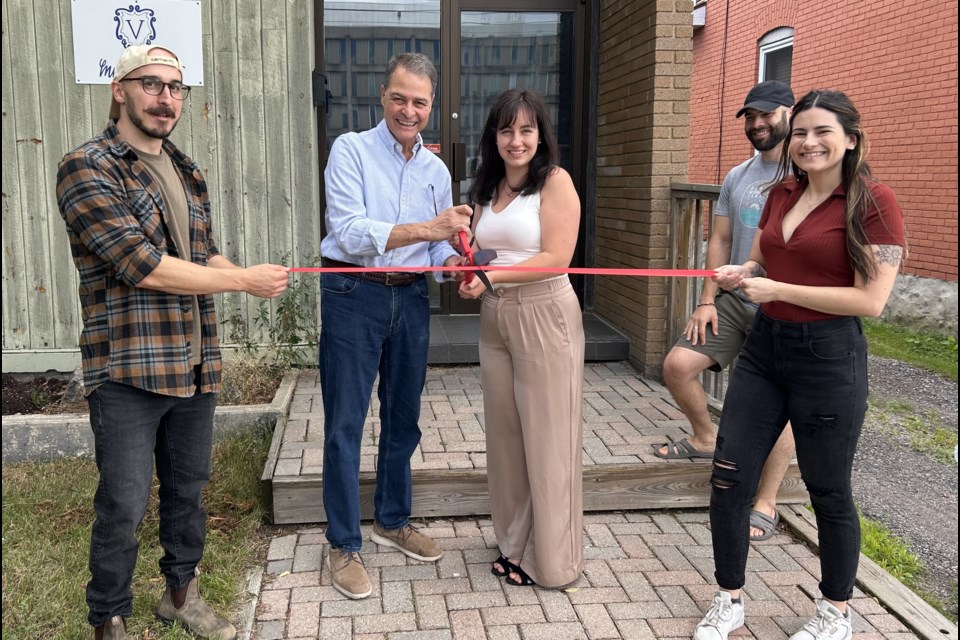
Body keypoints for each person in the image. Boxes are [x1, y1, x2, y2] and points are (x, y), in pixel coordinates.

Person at [56, 45, 289, 640]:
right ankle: (109, 619)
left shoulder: (186, 169)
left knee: (187, 495)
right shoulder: (87, 166)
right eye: (152, 85)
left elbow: (196, 254)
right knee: (124, 504)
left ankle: (180, 597)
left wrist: (244, 272)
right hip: (129, 370)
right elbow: (142, 265)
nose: (166, 98)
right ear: (120, 90)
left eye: (177, 88)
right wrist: (240, 280)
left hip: (193, 362)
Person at [693, 89, 905, 640]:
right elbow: (766, 253)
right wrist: (743, 270)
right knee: (728, 477)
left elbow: (870, 302)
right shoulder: (782, 190)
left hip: (829, 357)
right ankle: (729, 599)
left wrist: (777, 287)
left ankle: (835, 612)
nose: (809, 143)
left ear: (850, 139)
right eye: (802, 132)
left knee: (827, 488)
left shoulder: (873, 202)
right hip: (766, 349)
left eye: (822, 132)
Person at [318, 52, 473, 600]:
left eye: (420, 102)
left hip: (409, 300)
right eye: (400, 98)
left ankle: (391, 519)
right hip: (352, 293)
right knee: (345, 424)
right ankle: (342, 541)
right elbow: (352, 231)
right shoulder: (351, 150)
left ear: (432, 106)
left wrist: (457, 268)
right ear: (383, 96)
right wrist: (431, 227)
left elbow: (435, 247)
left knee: (403, 418)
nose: (409, 110)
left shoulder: (435, 169)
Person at [655, 80, 797, 542]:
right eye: (750, 117)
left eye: (767, 114)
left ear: (790, 113)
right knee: (678, 365)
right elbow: (718, 239)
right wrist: (707, 298)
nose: (757, 124)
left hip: (790, 304)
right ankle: (704, 439)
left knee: (779, 405)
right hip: (736, 299)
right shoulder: (739, 176)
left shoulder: (809, 170)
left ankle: (767, 502)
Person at [458, 89, 584, 588]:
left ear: (540, 135)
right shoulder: (486, 186)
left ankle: (552, 561)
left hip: (543, 312)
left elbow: (557, 257)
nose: (516, 140)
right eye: (506, 130)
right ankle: (513, 542)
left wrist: (492, 278)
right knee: (507, 440)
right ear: (494, 135)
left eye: (526, 130)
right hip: (495, 317)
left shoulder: (554, 182)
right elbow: (482, 254)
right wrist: (462, 268)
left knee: (549, 440)